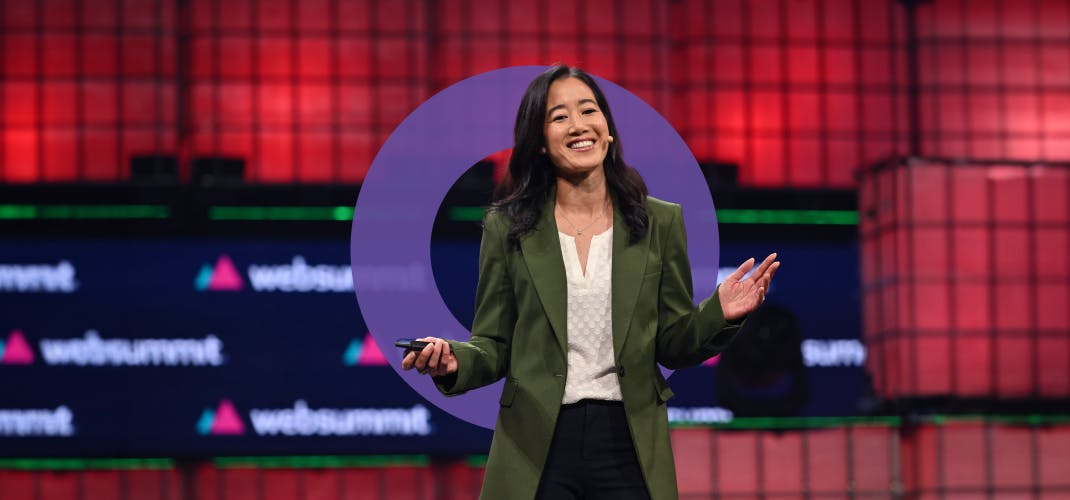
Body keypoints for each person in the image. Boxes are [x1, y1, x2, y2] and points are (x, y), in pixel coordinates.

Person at [402, 64, 779, 500]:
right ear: (539, 143)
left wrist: (719, 312)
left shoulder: (659, 221)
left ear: (608, 129)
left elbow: (674, 342)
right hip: (537, 441)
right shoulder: (506, 228)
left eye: (589, 110)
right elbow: (494, 343)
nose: (579, 125)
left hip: (628, 440)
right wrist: (454, 361)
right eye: (559, 117)